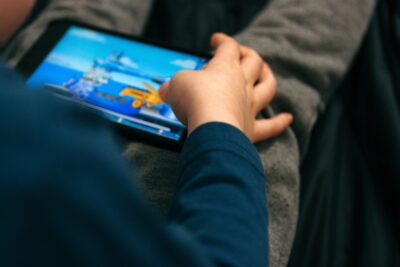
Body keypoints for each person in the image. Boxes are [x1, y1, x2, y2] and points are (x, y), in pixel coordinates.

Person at [1, 1, 377, 266]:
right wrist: (222, 123)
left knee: (69, 29)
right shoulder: (41, 160)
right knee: (263, 83)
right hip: (192, 224)